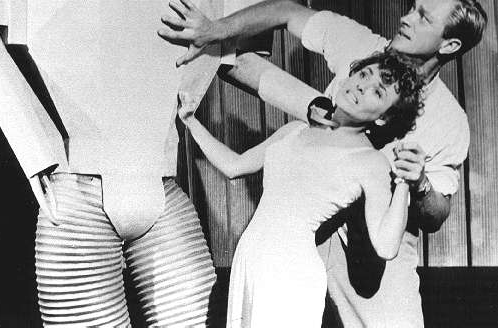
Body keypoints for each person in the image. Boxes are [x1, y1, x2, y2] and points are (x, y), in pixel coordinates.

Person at [158, 0, 488, 326]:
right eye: (412, 8)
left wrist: (418, 183)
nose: (406, 19)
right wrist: (216, 31)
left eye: (424, 18)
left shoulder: (450, 120)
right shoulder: (362, 45)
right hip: (302, 236)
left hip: (373, 245)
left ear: (450, 45)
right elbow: (284, 11)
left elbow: (436, 215)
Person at [178, 51, 424, 327]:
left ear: (383, 118)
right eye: (364, 74)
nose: (362, 86)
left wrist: (405, 182)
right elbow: (234, 166)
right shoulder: (295, 130)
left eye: (378, 92)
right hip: (251, 258)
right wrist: (191, 122)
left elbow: (386, 246)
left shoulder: (371, 161)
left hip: (290, 270)